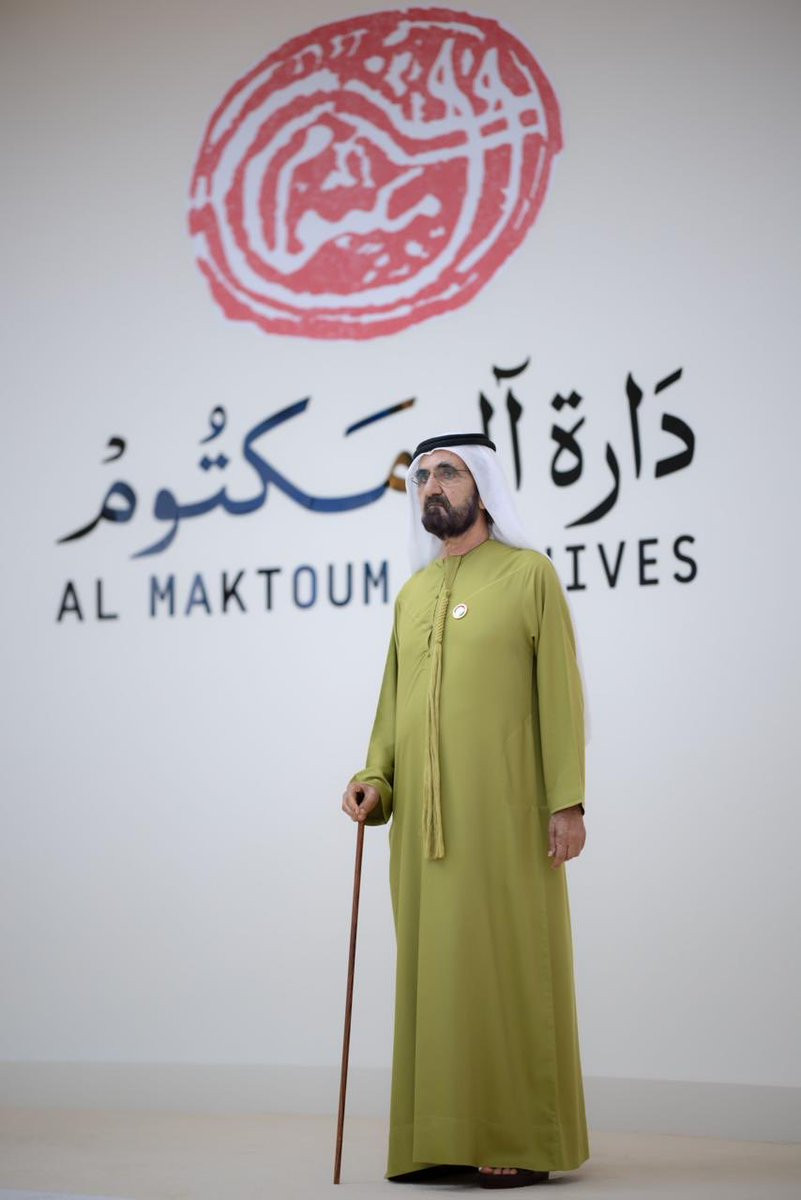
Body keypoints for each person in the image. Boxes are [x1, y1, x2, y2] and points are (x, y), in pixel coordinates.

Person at [342, 433, 588, 1190]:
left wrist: (566, 801)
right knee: (434, 979)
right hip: (422, 828)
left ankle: (515, 1135)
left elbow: (561, 693)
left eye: (446, 473)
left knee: (503, 969)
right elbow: (393, 704)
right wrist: (374, 778)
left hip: (506, 818)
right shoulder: (413, 594)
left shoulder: (527, 575)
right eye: (421, 477)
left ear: (481, 485)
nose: (431, 488)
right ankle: (439, 1139)